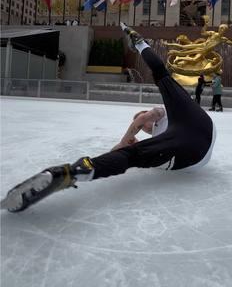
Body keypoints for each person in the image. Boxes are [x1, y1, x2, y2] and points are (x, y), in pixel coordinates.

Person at [1, 23, 216, 213]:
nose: (144, 127)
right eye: (144, 129)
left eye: (143, 123)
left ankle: (75, 171)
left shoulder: (161, 113)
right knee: (131, 154)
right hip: (196, 143)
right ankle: (70, 173)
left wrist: (125, 141)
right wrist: (122, 149)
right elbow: (119, 154)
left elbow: (143, 119)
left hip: (192, 141)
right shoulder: (160, 136)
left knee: (133, 148)